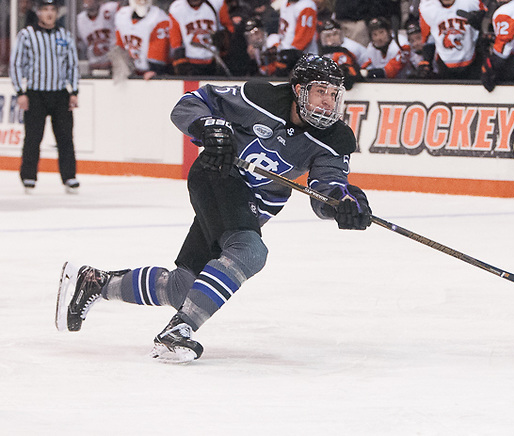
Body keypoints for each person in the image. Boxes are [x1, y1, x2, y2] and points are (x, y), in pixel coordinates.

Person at [56, 54, 372, 363]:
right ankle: (178, 331)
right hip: (217, 174)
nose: (328, 103)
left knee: (184, 289)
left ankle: (96, 283)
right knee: (249, 250)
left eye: (333, 94)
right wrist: (207, 125)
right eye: (320, 92)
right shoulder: (258, 97)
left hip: (251, 205)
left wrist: (343, 204)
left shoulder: (337, 138)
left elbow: (327, 188)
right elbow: (190, 103)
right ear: (298, 89)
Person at [10, 0, 80, 194]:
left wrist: (74, 91)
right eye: (45, 10)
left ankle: (69, 176)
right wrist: (20, 92)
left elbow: (72, 65)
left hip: (59, 94)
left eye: (52, 10)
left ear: (57, 13)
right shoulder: (26, 35)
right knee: (33, 137)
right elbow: (16, 64)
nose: (49, 14)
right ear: (38, 13)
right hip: (35, 94)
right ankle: (29, 176)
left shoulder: (65, 35)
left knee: (65, 137)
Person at [418, 0, 487, 80]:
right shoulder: (427, 7)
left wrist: (481, 23)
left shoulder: (471, 2)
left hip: (473, 62)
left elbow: (489, 24)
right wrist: (426, 60)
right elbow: (429, 38)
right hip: (444, 64)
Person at [169, 0, 234, 76]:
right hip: (190, 62)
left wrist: (224, 39)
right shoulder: (176, 8)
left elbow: (229, 28)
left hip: (215, 60)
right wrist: (180, 62)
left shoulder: (217, 3)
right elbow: (175, 41)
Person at [114, 0, 171, 79]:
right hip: (131, 71)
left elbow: (158, 51)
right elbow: (120, 46)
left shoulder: (159, 17)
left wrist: (155, 69)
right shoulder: (121, 15)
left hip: (152, 72)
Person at [318, 18, 366, 87]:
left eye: (335, 34)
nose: (332, 38)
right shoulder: (319, 55)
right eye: (328, 36)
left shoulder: (348, 51)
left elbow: (355, 73)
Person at [77, 0, 119, 72]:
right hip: (94, 66)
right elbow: (80, 48)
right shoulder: (79, 19)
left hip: (114, 65)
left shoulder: (110, 9)